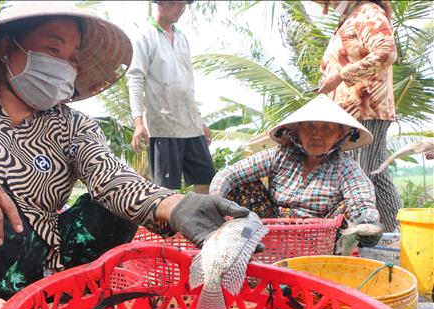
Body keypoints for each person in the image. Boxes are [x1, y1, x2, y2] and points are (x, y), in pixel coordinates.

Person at [0, 2, 246, 302]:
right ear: (5, 47)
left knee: (112, 209)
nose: (64, 66)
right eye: (52, 49)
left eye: (72, 59)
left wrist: (175, 205)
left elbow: (112, 178)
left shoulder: (73, 125)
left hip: (34, 271)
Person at [209, 95, 384, 248]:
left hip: (319, 238)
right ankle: (245, 244)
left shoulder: (344, 166)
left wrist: (367, 221)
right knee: (241, 184)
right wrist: (214, 201)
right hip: (271, 231)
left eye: (327, 128)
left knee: (349, 210)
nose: (316, 135)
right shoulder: (280, 156)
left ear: (340, 135)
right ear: (297, 132)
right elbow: (230, 174)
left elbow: (361, 196)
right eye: (309, 127)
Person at [316, 0, 401, 232]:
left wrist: (342, 75)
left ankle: (360, 238)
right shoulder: (351, 16)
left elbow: (386, 52)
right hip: (350, 113)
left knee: (359, 178)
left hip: (364, 108)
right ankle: (396, 237)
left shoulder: (368, 12)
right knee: (375, 177)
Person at [126, 0, 215, 194]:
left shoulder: (182, 39)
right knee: (166, 190)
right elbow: (135, 79)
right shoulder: (145, 36)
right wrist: (138, 123)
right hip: (163, 125)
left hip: (190, 124)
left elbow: (187, 85)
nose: (181, 8)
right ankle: (169, 216)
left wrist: (199, 120)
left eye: (184, 4)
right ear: (161, 3)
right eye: (176, 3)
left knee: (207, 179)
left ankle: (196, 213)